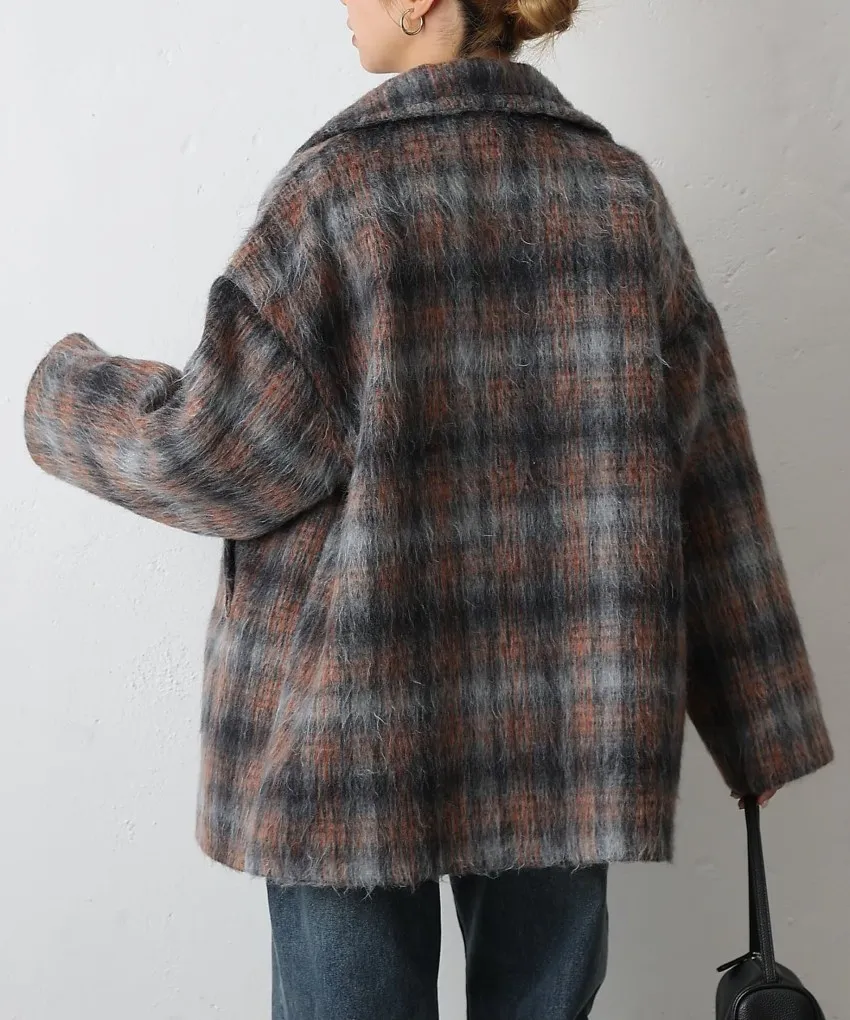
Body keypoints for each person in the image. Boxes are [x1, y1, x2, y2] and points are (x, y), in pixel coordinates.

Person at [23, 0, 834, 1017]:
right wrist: (753, 723)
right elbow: (706, 473)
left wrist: (62, 393)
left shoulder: (339, 196)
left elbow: (215, 452)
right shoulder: (620, 197)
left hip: (349, 729)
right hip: (566, 729)